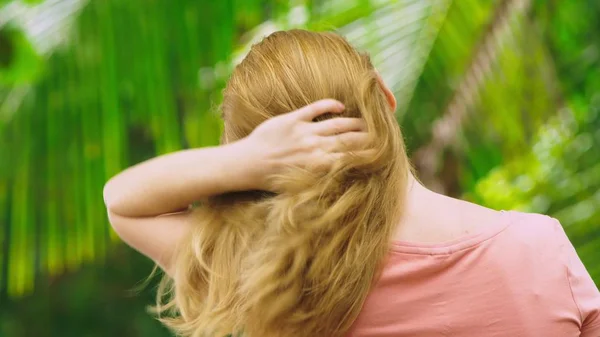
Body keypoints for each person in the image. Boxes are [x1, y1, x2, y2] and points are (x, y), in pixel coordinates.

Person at [103, 30, 600, 337]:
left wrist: (248, 159)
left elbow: (123, 202)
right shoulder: (539, 249)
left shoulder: (272, 275)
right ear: (384, 96)